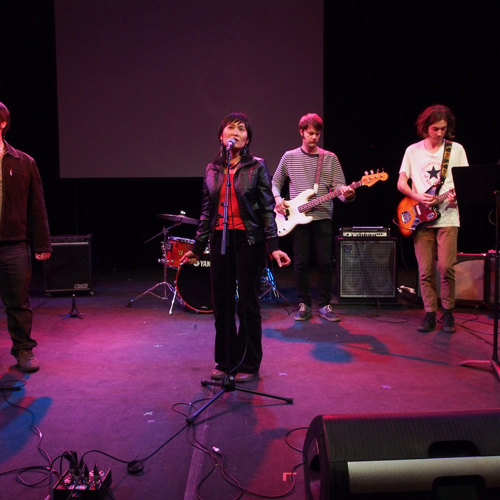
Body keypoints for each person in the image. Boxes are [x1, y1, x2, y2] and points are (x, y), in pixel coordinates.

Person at [180, 112, 290, 383]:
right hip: (220, 241)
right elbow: (207, 213)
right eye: (231, 128)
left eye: (242, 129)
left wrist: (273, 246)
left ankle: (249, 363)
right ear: (221, 136)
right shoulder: (212, 169)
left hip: (249, 241)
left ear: (247, 139)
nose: (236, 132)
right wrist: (197, 247)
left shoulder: (257, 166)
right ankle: (226, 360)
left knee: (248, 305)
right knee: (223, 304)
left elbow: (266, 209)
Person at [272, 113, 354, 322]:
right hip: (297, 218)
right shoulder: (289, 157)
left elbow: (338, 189)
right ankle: (304, 304)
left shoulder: (330, 158)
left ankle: (325, 304)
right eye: (310, 133)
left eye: (317, 134)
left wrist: (348, 194)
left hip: (323, 216)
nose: (314, 137)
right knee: (300, 263)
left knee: (325, 262)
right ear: (301, 132)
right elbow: (275, 182)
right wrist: (277, 199)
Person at [397, 104, 469, 333]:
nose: (439, 133)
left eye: (443, 129)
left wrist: (458, 194)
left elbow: (464, 182)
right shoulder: (413, 150)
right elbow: (401, 183)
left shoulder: (455, 149)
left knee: (446, 267)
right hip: (421, 217)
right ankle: (429, 313)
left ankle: (448, 313)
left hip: (448, 215)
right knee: (425, 270)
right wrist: (418, 196)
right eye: (435, 128)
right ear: (425, 127)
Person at [0, 101, 52, 373]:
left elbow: (36, 206)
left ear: (2, 123)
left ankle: (23, 350)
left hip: (13, 244)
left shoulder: (24, 162)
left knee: (18, 301)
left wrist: (42, 243)